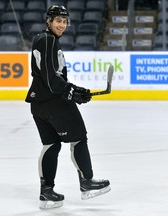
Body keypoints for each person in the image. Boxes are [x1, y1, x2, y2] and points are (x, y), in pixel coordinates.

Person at [25, 5, 111, 210]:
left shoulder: (45, 40)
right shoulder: (47, 40)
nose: (62, 25)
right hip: (54, 102)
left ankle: (46, 192)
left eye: (64, 21)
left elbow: (52, 76)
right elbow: (50, 78)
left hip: (39, 103)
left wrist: (73, 89)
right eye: (58, 21)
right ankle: (87, 183)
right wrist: (70, 92)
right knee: (79, 137)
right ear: (49, 21)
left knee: (51, 145)